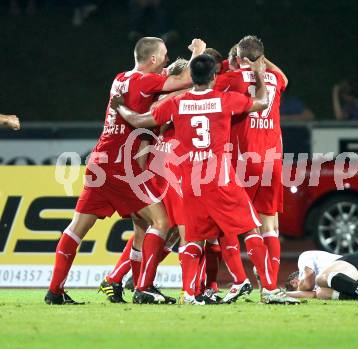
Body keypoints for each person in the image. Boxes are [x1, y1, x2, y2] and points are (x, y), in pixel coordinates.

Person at [111, 54, 299, 305]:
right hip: (220, 179)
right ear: (213, 77)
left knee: (191, 238)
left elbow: (139, 120)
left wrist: (120, 106)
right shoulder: (224, 100)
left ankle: (189, 293)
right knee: (251, 230)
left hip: (190, 183)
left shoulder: (177, 102)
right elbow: (262, 102)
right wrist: (256, 76)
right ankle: (269, 289)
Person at [44, 36, 206, 305]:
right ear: (152, 59)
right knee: (162, 222)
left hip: (100, 160)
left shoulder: (121, 78)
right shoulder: (145, 81)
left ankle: (55, 291)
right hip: (122, 167)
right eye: (164, 55)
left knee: (77, 229)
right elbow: (186, 80)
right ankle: (143, 287)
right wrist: (198, 54)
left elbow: (166, 82)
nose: (166, 60)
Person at [213, 35, 288, 292]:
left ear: (239, 59)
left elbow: (204, 83)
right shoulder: (275, 80)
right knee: (270, 225)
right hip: (271, 161)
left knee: (229, 222)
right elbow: (285, 77)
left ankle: (239, 281)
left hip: (242, 160)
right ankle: (270, 284)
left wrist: (227, 63)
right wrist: (261, 61)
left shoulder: (232, 80)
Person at [285, 250, 358, 301]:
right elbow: (312, 294)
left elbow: (306, 284)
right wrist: (283, 294)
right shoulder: (319, 288)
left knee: (320, 279)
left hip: (355, 263)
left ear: (294, 281)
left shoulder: (304, 257)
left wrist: (283, 293)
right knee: (321, 293)